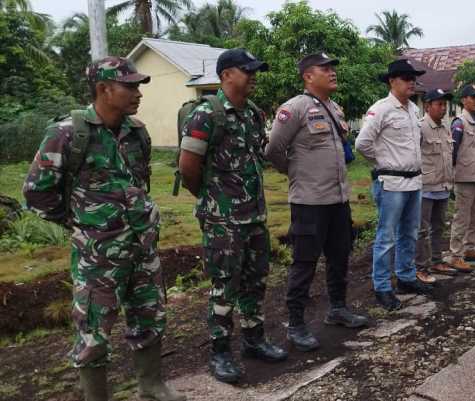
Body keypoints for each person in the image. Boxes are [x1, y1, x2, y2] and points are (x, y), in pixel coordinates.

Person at [22, 57, 184, 401]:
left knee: (151, 317)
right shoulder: (67, 133)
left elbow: (139, 183)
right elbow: (36, 192)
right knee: (94, 332)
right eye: (130, 86)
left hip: (142, 249)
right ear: (103, 89)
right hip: (97, 258)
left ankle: (151, 386)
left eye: (139, 86)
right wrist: (80, 223)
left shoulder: (136, 131)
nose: (138, 93)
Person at [178, 48, 287, 383]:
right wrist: (215, 202)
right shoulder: (206, 114)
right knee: (225, 285)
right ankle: (220, 351)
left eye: (254, 71)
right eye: (247, 70)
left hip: (254, 216)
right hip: (223, 220)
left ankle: (254, 340)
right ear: (226, 75)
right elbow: (188, 169)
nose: (253, 76)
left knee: (255, 281)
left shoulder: (253, 113)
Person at [266, 53, 368, 352]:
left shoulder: (334, 109)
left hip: (338, 199)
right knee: (304, 262)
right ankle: (296, 323)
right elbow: (274, 149)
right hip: (309, 202)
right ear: (308, 76)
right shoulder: (294, 108)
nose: (332, 72)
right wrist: (294, 172)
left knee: (340, 256)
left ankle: (338, 308)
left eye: (333, 67)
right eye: (325, 68)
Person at [356, 59, 433, 311]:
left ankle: (406, 278)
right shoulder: (381, 109)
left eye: (413, 78)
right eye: (405, 78)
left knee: (409, 233)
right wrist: (384, 163)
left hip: (414, 181)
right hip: (391, 182)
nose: (412, 82)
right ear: (392, 81)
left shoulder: (413, 109)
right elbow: (362, 143)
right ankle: (382, 287)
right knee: (386, 237)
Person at [416, 88, 464, 280]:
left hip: (443, 187)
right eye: (439, 104)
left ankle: (436, 261)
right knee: (421, 230)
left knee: (439, 227)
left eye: (445, 104)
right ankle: (420, 267)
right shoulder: (420, 127)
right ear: (427, 106)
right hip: (426, 187)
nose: (443, 108)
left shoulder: (445, 128)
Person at [447, 83, 475, 272]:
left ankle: (469, 248)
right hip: (464, 178)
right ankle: (455, 255)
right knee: (462, 218)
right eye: (473, 97)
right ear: (464, 100)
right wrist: (451, 178)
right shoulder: (459, 123)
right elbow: (452, 152)